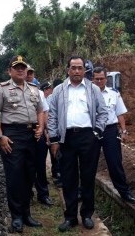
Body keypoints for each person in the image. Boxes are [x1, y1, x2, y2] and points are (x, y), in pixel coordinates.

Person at [47, 56, 108, 232]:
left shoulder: (93, 89)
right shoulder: (59, 90)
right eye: (73, 68)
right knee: (68, 178)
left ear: (84, 70)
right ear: (68, 70)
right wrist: (54, 138)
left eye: (79, 68)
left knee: (88, 177)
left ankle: (87, 215)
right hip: (67, 139)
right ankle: (71, 217)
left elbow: (103, 112)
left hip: (89, 137)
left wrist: (97, 131)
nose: (76, 71)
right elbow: (52, 115)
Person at [0, 55, 45, 233]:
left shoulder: (34, 89)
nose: (21, 70)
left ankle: (27, 213)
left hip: (32, 135)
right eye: (16, 67)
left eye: (23, 67)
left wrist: (41, 127)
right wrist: (0, 136)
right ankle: (17, 216)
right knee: (15, 176)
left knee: (29, 174)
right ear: (9, 71)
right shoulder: (2, 89)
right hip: (12, 135)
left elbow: (41, 110)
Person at [92, 67, 135, 204]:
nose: (99, 81)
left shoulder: (114, 94)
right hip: (93, 131)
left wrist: (124, 130)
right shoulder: (87, 94)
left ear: (106, 79)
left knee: (115, 162)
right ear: (92, 79)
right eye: (97, 79)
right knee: (89, 163)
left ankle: (124, 192)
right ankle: (83, 192)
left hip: (110, 131)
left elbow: (119, 113)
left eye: (102, 78)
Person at [26, 67, 54, 206]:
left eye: (31, 73)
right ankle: (28, 193)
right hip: (24, 131)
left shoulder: (39, 93)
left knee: (40, 164)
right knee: (26, 164)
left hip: (38, 131)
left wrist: (46, 131)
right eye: (27, 72)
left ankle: (43, 194)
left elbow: (45, 112)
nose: (29, 75)